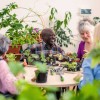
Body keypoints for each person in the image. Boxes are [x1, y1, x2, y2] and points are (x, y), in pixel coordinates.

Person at [78, 23, 100, 89]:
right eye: (82, 33)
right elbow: (78, 58)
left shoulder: (89, 60)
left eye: (87, 32)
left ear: (93, 33)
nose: (85, 35)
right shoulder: (81, 44)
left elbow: (87, 86)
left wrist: (81, 79)